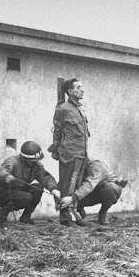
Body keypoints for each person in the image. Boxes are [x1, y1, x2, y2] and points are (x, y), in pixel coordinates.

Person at [47, 78, 91, 227]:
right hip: (69, 153)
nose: (83, 89)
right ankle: (65, 218)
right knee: (68, 185)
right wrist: (55, 149)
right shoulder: (63, 109)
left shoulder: (80, 108)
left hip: (81, 152)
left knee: (77, 185)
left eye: (82, 87)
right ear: (70, 91)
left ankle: (74, 214)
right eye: (79, 87)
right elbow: (57, 131)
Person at [0, 141, 61, 226]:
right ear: (25, 159)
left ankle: (25, 217)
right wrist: (6, 176)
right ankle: (1, 215)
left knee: (37, 189)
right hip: (3, 193)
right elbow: (1, 171)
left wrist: (54, 189)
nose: (35, 162)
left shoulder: (36, 166)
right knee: (26, 197)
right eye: (32, 160)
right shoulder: (13, 161)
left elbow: (45, 178)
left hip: (20, 191)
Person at [59, 160, 128, 225]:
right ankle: (79, 210)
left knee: (110, 188)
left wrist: (72, 198)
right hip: (90, 193)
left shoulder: (96, 165)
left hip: (105, 190)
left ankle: (102, 214)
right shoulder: (75, 170)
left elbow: (89, 184)